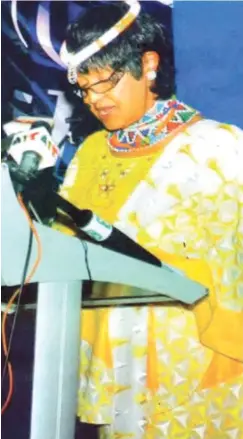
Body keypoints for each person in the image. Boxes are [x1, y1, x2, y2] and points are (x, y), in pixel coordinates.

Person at [55, 1, 243, 438]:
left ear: (149, 64)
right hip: (116, 361)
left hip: (195, 363)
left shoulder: (218, 148)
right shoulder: (89, 155)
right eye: (84, 89)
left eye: (105, 83)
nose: (94, 100)